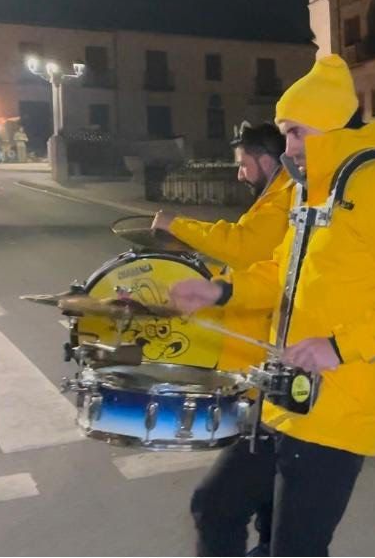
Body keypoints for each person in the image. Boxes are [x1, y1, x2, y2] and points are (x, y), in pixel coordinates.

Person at [170, 54, 375, 556]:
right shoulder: (312, 193)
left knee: (294, 549)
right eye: (284, 133)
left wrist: (340, 346)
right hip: (284, 391)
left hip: (339, 405)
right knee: (214, 505)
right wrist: (220, 290)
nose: (288, 147)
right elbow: (283, 271)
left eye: (296, 132)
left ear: (329, 127)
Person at [151, 122, 294, 556]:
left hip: (267, 378)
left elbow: (246, 247)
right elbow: (255, 271)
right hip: (261, 376)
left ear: (265, 161)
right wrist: (210, 285)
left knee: (215, 506)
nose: (239, 174)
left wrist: (180, 226)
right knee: (273, 512)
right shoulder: (276, 195)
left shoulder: (286, 197)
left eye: (243, 164)